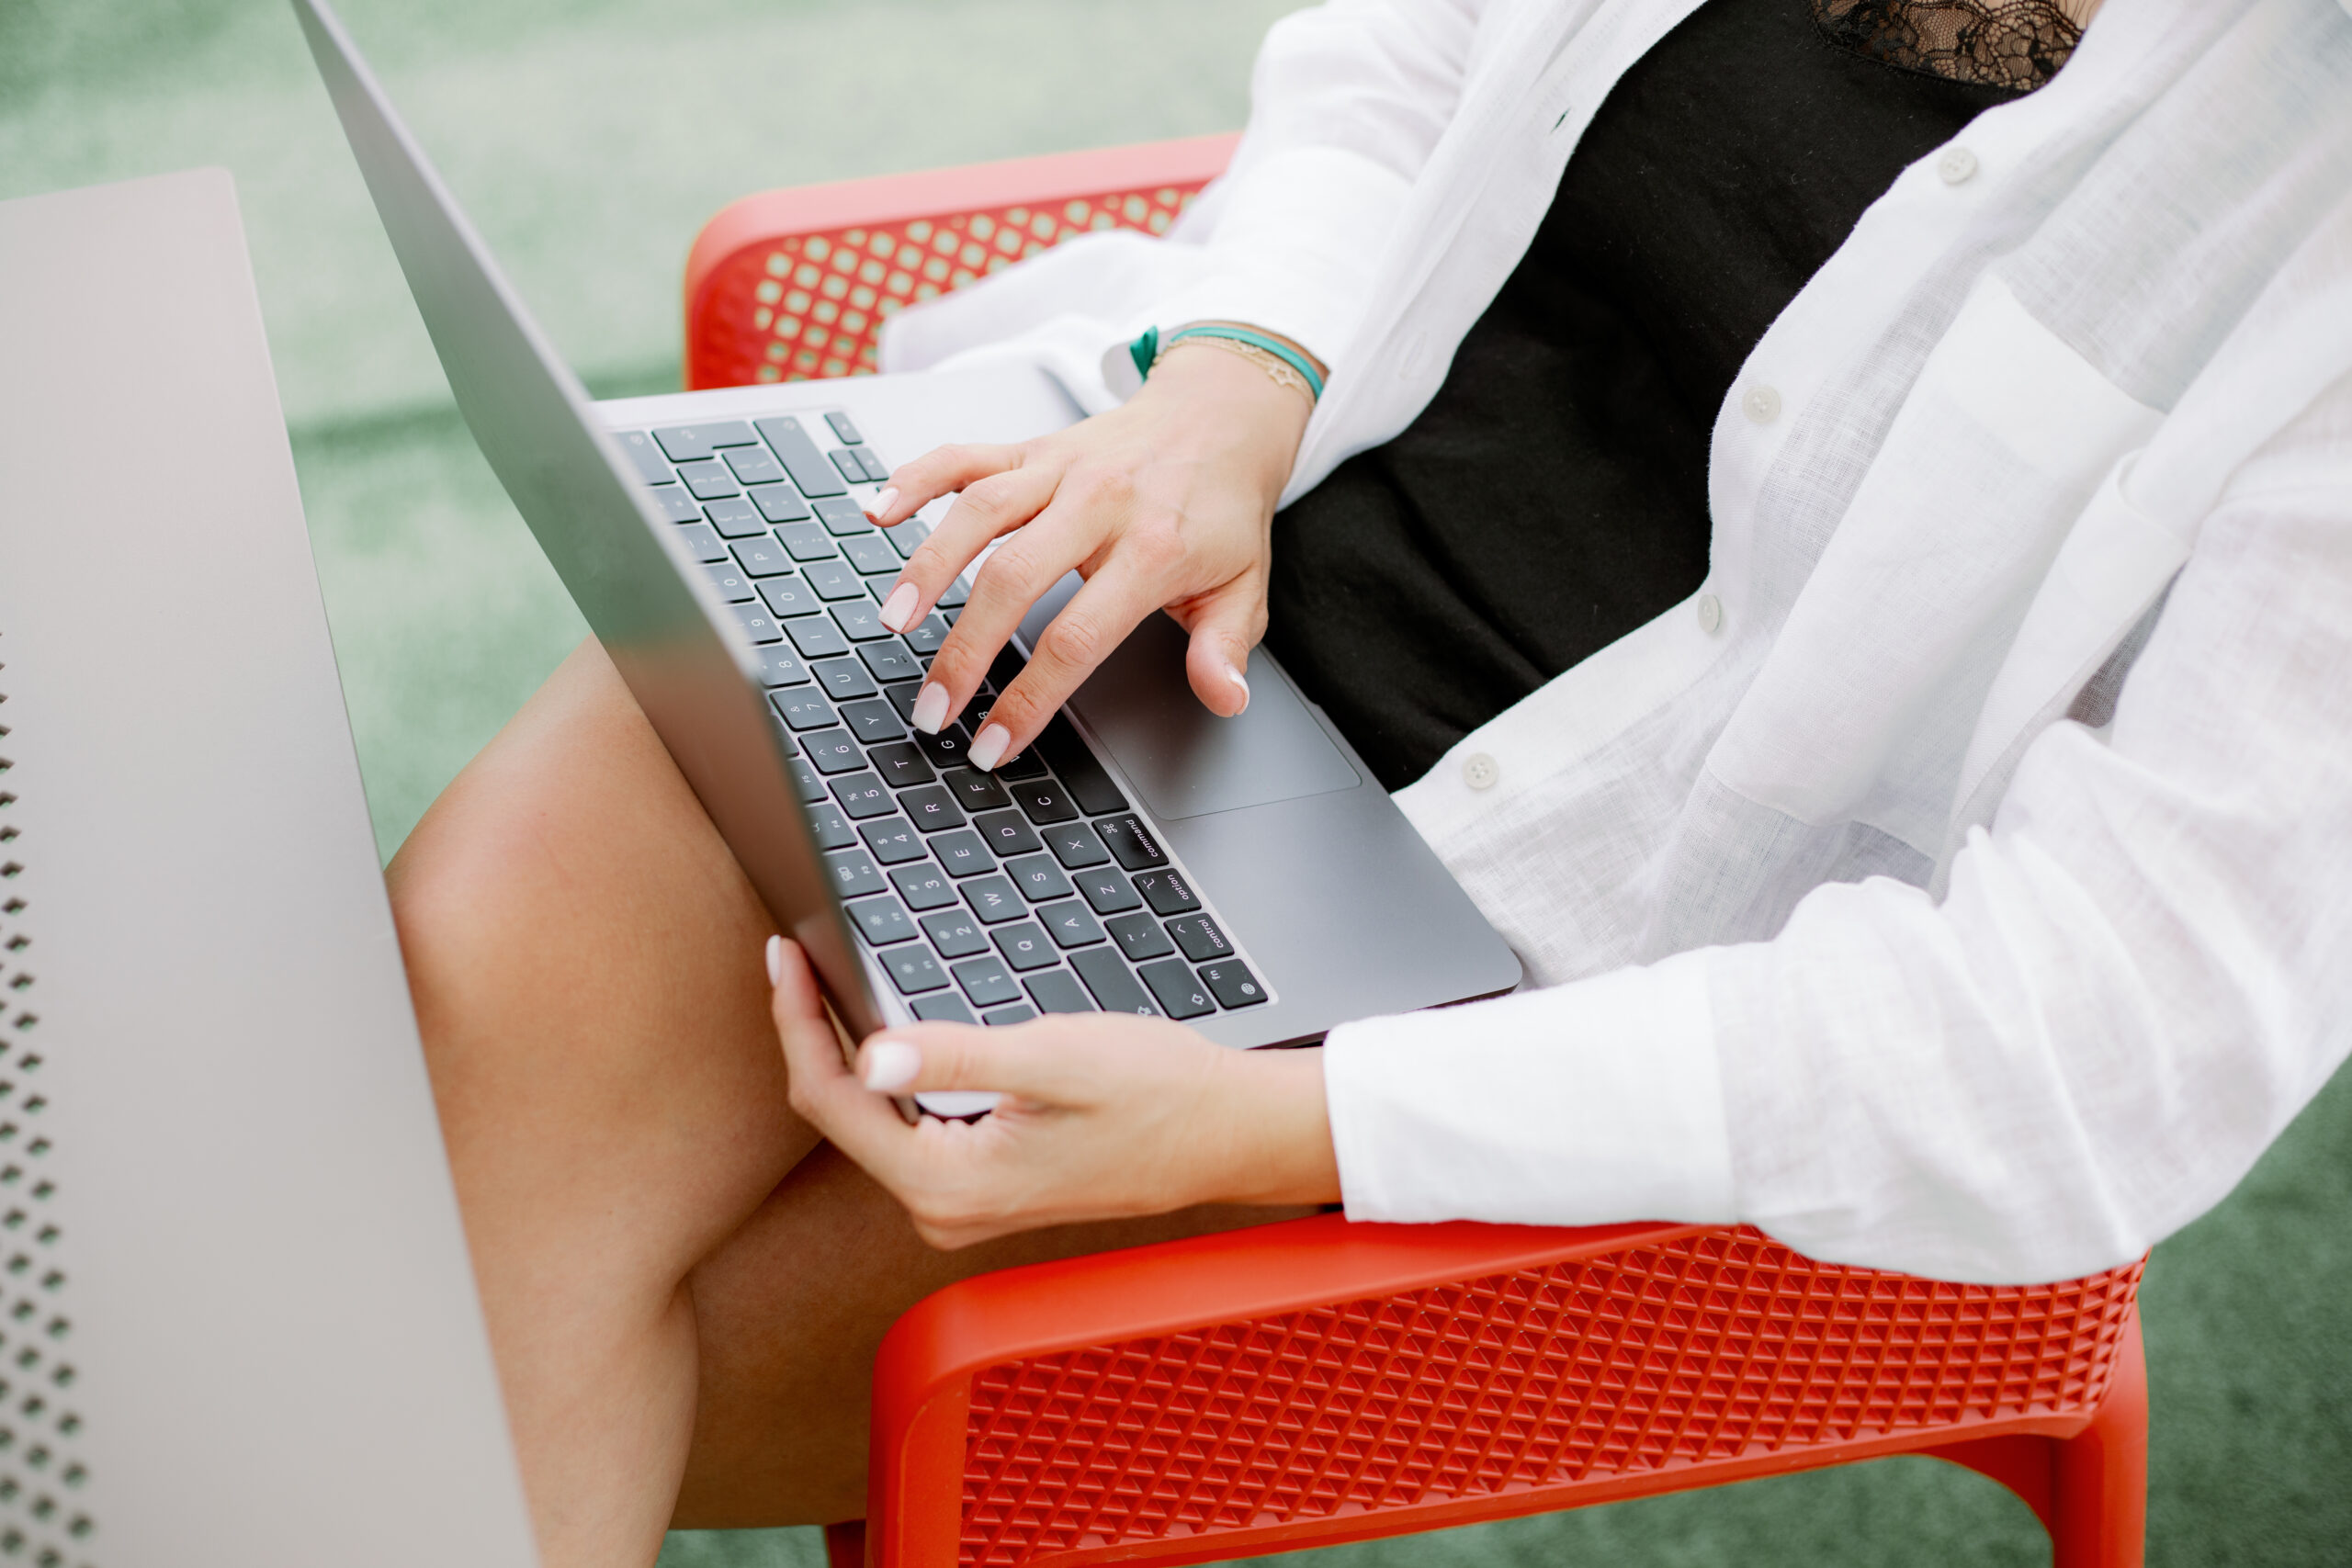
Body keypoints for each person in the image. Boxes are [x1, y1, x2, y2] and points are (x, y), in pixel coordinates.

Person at [384, 0, 2352, 1562]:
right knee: (445, 1010)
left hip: (1496, 1000)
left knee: (448, 1331)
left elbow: (2115, 1029)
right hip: (1115, 582)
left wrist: (1278, 1126)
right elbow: (1406, 54)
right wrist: (1235, 373)